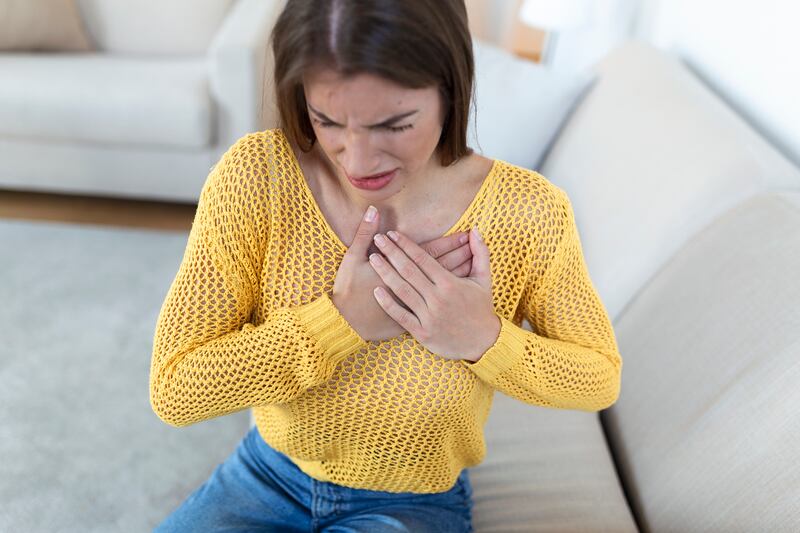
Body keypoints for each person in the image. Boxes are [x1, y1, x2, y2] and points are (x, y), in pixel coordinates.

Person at [149, 0, 623, 531]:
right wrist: (338, 323)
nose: (357, 161)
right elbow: (176, 388)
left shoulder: (527, 212)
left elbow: (598, 378)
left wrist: (481, 338)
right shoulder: (256, 178)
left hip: (412, 503)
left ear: (450, 89)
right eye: (327, 120)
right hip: (267, 477)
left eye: (394, 125)